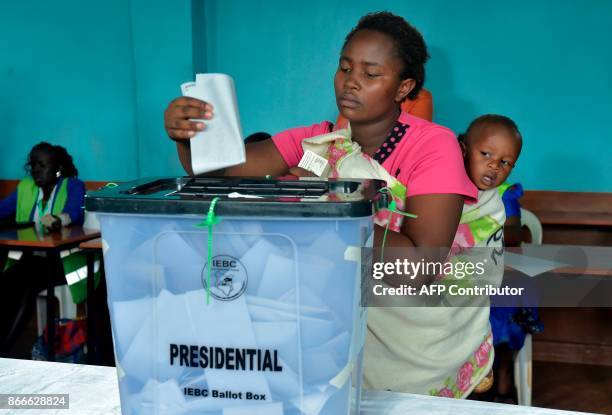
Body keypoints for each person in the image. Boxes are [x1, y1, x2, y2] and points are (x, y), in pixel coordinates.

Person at [164, 12, 492, 397]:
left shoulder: (432, 146)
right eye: (344, 67)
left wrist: (327, 208)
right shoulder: (319, 140)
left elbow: (418, 268)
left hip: (419, 340)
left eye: (371, 74)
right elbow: (221, 171)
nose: (351, 81)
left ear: (404, 87)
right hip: (341, 329)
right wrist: (187, 136)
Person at [456, 115, 542, 402]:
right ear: (464, 148)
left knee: (509, 299)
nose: (495, 165)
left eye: (505, 162)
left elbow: (515, 238)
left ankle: (500, 372)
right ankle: (477, 379)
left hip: (495, 276)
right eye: (486, 154)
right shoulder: (447, 191)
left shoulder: (504, 195)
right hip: (455, 281)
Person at [0, 142, 87, 355]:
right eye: (33, 165)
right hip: (33, 259)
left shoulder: (73, 185)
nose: (36, 170)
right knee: (10, 282)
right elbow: (2, 210)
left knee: (24, 281)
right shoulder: (26, 187)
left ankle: (4, 348)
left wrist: (59, 219)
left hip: (64, 263)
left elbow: (74, 212)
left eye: (42, 165)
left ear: (57, 168)